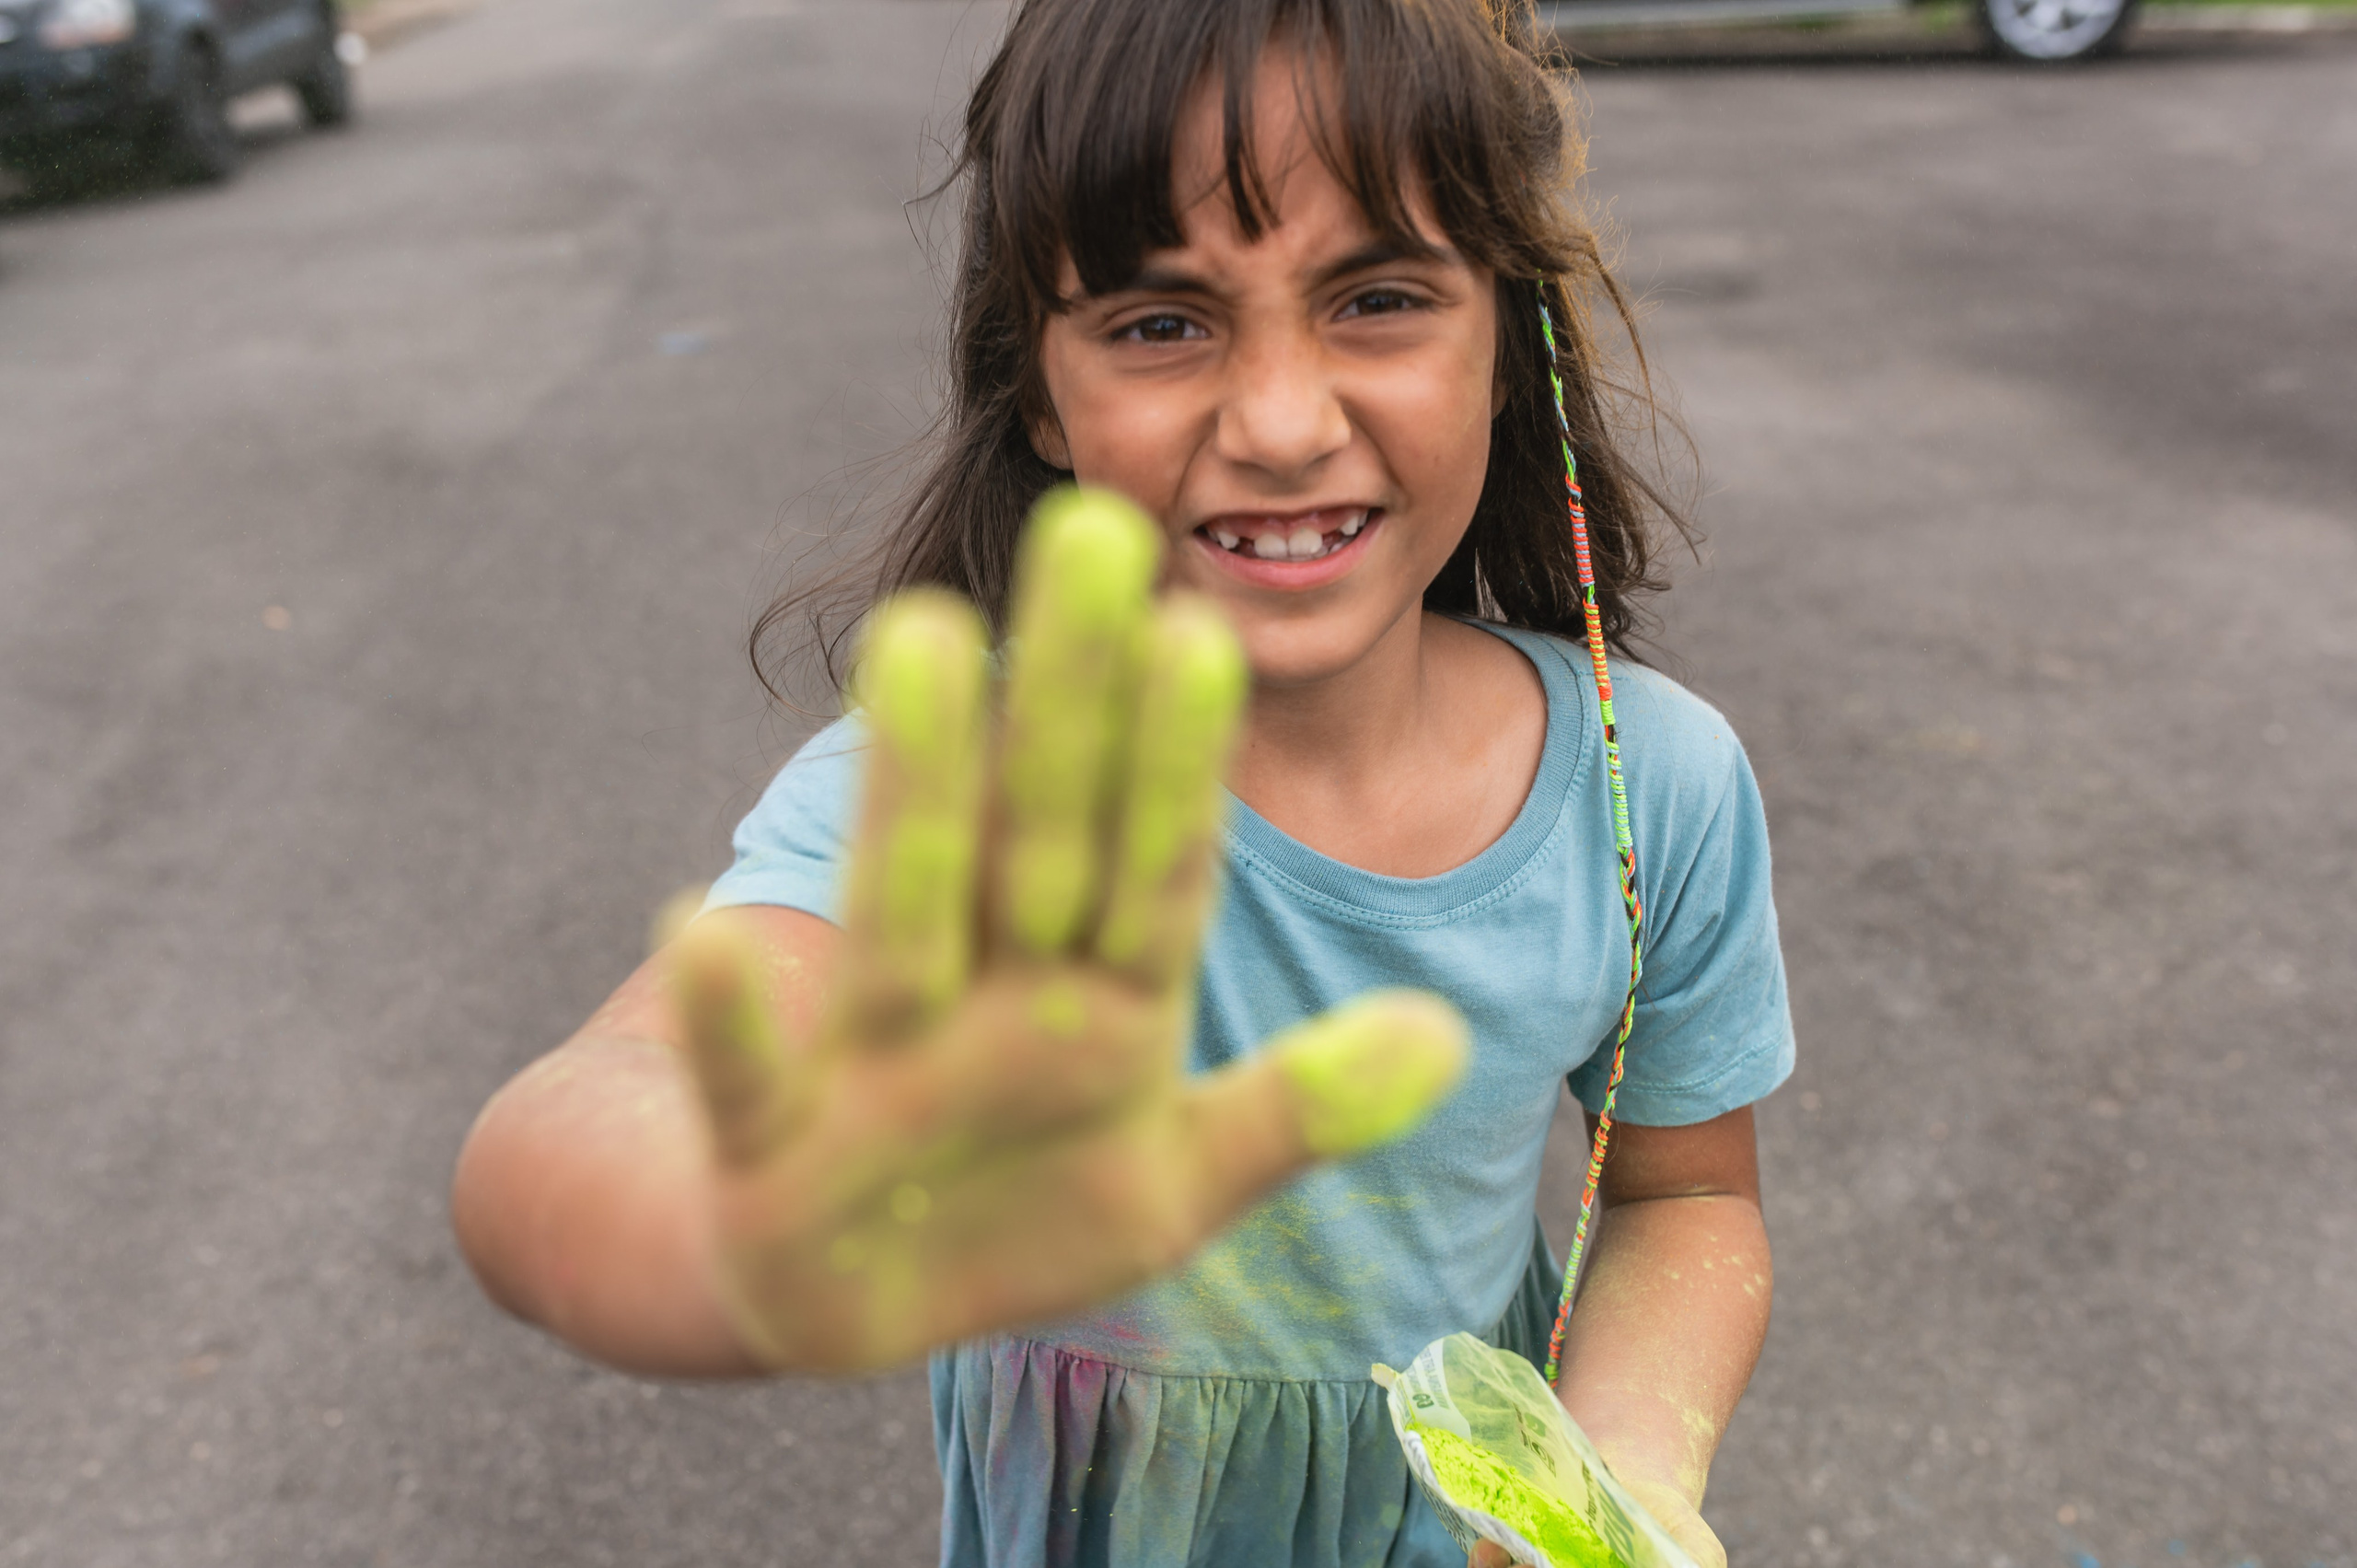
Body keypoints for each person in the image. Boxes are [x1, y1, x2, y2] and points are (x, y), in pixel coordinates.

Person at [450, 1, 1794, 1564]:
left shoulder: (1653, 792)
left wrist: (1623, 1466)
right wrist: (701, 1215)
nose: (1284, 423)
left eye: (1378, 297)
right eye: (1162, 323)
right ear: (1040, 391)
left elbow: (1683, 1202)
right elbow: (616, 1096)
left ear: (1510, 336)